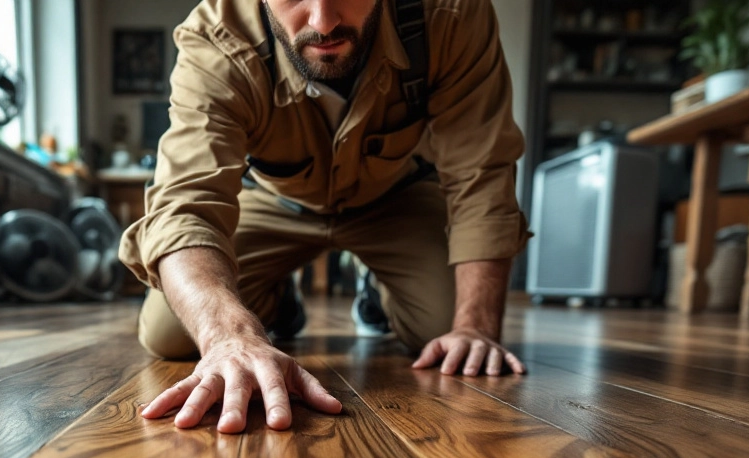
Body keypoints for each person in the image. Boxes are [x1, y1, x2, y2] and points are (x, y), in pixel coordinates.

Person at [119, 0, 530, 434]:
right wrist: (229, 335)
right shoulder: (215, 37)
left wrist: (475, 328)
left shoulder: (451, 14)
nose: (323, 21)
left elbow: (480, 175)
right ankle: (273, 301)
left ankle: (376, 294)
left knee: (452, 336)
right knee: (172, 332)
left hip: (396, 198)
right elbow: (186, 203)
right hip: (275, 201)